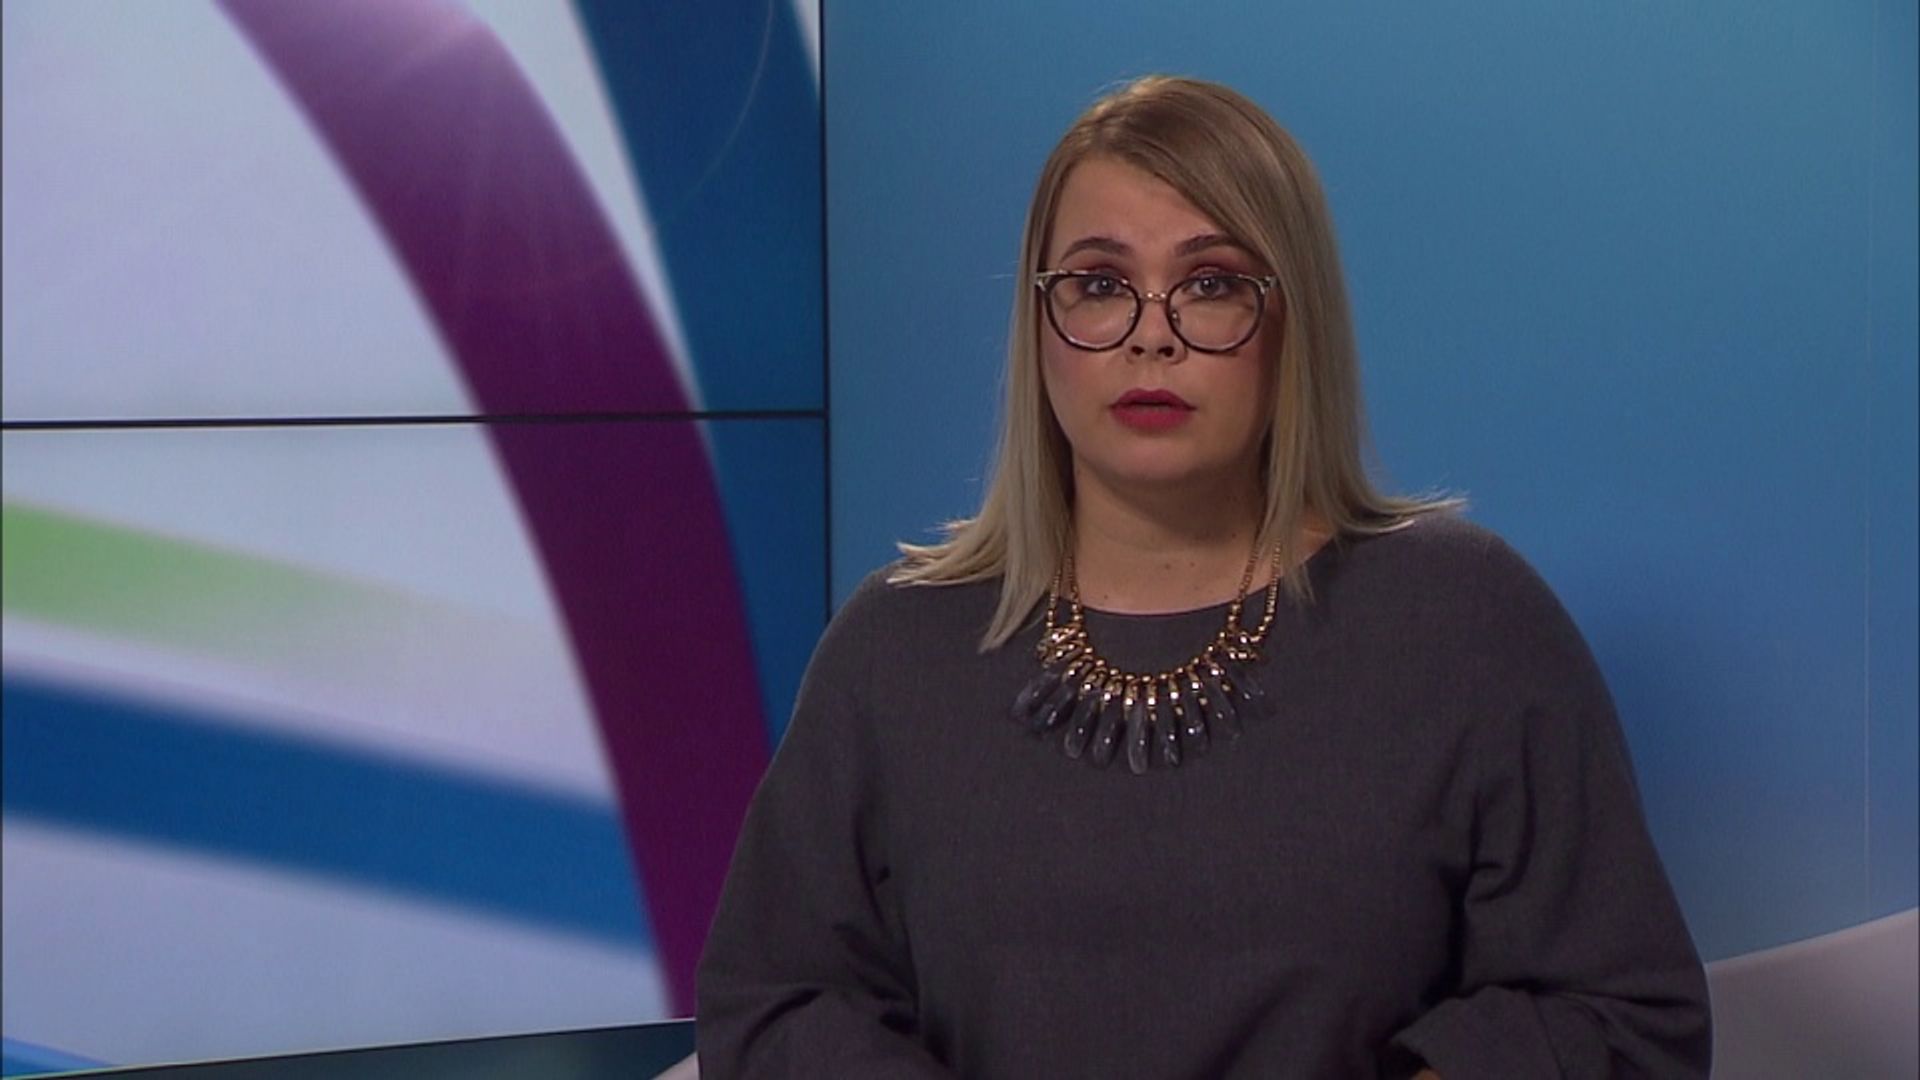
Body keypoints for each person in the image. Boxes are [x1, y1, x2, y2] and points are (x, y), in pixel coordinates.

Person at [695, 75, 1711, 1078]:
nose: (1152, 334)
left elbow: (1621, 1017)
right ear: (1039, 324)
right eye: (1099, 284)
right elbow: (774, 1005)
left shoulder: (1465, 622)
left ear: (1294, 320)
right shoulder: (896, 649)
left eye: (1213, 284)